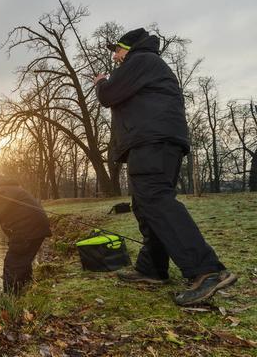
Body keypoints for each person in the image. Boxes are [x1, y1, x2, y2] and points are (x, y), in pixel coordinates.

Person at [93, 27, 236, 306]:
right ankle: (152, 269)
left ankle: (206, 270)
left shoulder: (140, 60)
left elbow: (108, 95)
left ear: (129, 48)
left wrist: (101, 81)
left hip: (152, 142)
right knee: (145, 204)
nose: (115, 57)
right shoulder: (146, 64)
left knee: (155, 200)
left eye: (117, 51)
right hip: (156, 142)